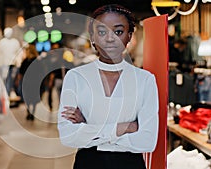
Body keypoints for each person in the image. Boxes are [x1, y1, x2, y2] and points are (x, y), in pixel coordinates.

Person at [57, 4, 159, 169]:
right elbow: (68, 136)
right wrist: (124, 128)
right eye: (102, 32)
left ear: (129, 36)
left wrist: (89, 129)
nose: (110, 38)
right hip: (88, 164)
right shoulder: (76, 77)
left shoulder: (144, 80)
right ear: (92, 37)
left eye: (118, 31)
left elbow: (147, 141)